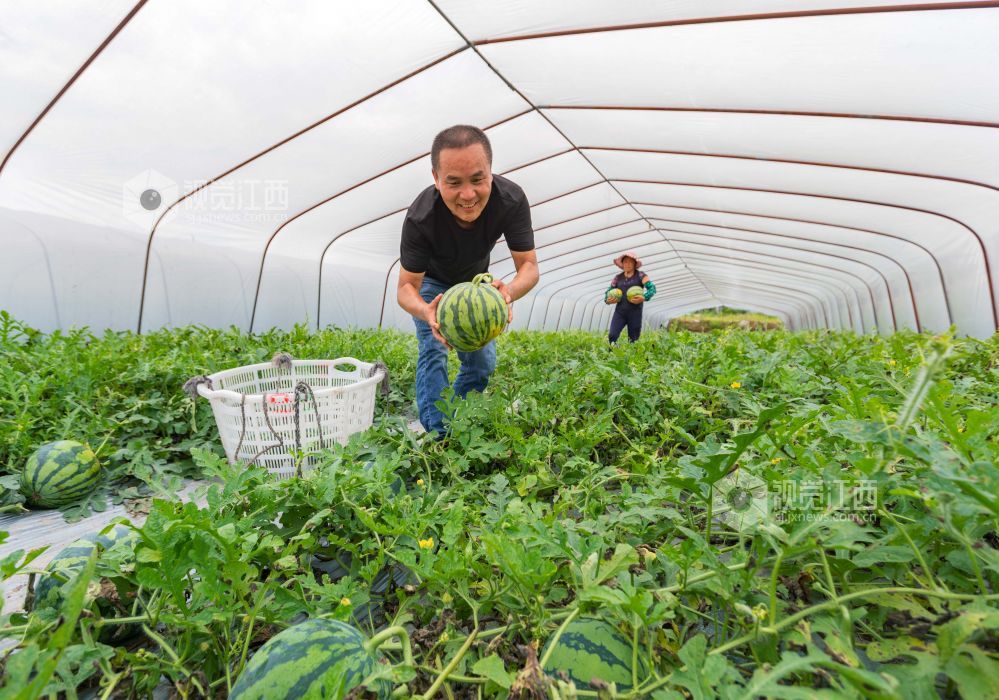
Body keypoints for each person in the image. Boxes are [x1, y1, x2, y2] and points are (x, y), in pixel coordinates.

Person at [397, 125, 539, 437]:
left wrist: (507, 292)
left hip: (476, 284)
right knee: (433, 350)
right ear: (436, 178)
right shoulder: (421, 217)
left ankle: (457, 416)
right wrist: (426, 311)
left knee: (482, 363)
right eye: (454, 183)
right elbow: (406, 288)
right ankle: (438, 434)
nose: (468, 195)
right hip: (434, 285)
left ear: (490, 172)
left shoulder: (511, 200)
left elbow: (529, 266)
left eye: (477, 179)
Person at [605, 250, 656, 343]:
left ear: (635, 264)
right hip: (620, 312)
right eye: (625, 262)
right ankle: (612, 351)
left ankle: (631, 352)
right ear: (622, 264)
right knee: (612, 335)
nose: (627, 264)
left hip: (635, 313)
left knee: (633, 340)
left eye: (630, 262)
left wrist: (644, 297)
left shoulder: (641, 275)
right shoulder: (617, 278)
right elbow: (608, 291)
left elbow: (652, 289)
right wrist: (608, 300)